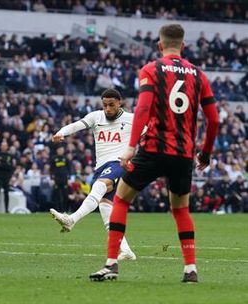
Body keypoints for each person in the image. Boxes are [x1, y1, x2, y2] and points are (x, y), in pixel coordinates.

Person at [89, 24, 219, 283]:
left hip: (153, 149)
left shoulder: (151, 69)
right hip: (183, 154)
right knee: (181, 210)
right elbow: (214, 120)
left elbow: (144, 109)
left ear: (160, 45)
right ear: (183, 46)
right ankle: (190, 269)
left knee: (122, 199)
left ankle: (112, 264)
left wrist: (130, 146)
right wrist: (205, 153)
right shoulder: (198, 74)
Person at [50, 89, 136, 261]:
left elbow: (151, 132)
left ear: (120, 103)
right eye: (105, 105)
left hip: (120, 163)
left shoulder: (131, 119)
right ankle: (126, 251)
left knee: (99, 185)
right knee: (105, 208)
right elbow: (76, 125)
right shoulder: (96, 117)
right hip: (101, 166)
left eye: (112, 105)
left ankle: (71, 219)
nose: (108, 109)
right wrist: (61, 132)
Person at [0, 141, 15, 212]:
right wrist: (5, 164)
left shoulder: (9, 156)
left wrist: (1, 163)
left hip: (6, 178)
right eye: (2, 145)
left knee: (6, 193)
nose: (3, 147)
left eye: (5, 145)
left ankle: (6, 209)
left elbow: (10, 167)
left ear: (7, 147)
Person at [50, 146, 70, 212]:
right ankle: (57, 210)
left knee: (65, 195)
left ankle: (65, 210)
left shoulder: (65, 158)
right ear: (57, 150)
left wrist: (69, 178)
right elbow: (51, 169)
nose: (61, 151)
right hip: (56, 180)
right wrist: (52, 179)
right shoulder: (54, 159)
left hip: (64, 180)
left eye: (62, 150)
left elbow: (69, 168)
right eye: (60, 150)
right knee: (57, 195)